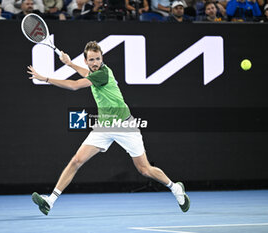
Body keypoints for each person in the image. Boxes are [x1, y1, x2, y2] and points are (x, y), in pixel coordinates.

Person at [27, 41, 191, 216]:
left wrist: (44, 78)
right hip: (104, 126)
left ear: (102, 58)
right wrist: (69, 63)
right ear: (86, 61)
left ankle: (175, 188)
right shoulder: (93, 72)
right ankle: (50, 201)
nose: (95, 62)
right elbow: (86, 73)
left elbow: (75, 85)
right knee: (76, 160)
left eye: (98, 59)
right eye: (91, 60)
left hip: (124, 126)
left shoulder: (103, 73)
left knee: (144, 169)